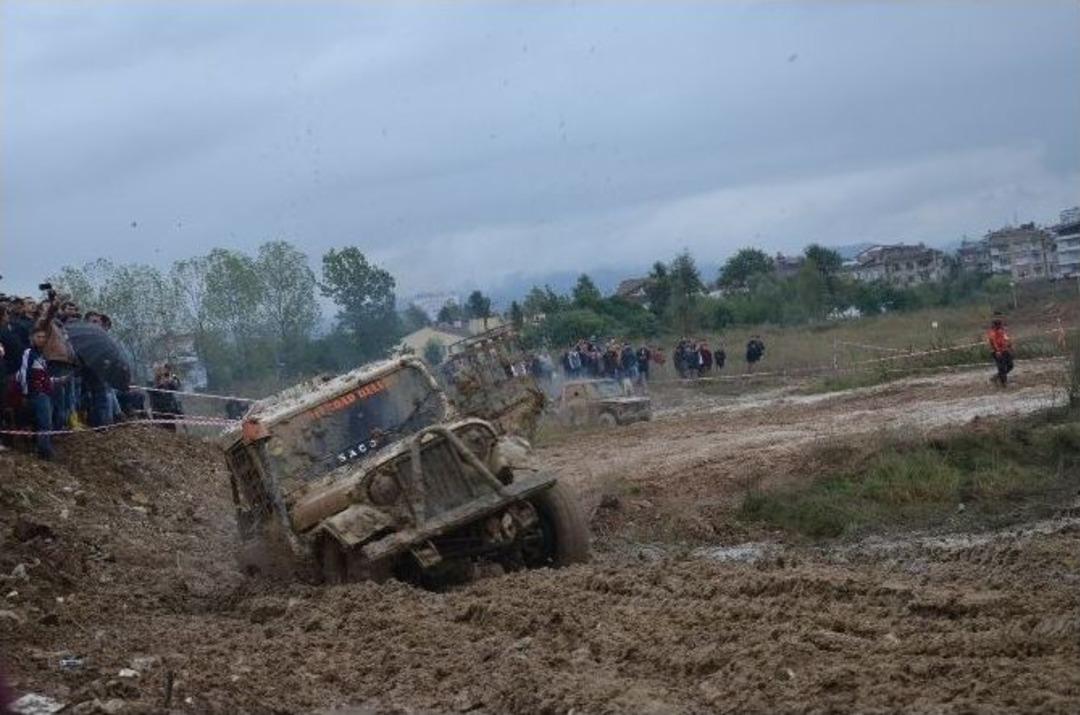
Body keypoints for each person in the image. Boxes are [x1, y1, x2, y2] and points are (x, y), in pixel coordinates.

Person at [16, 326, 55, 459]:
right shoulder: (29, 352)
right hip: (35, 393)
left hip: (45, 392)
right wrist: (25, 393)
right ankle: (44, 451)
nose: (41, 339)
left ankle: (42, 448)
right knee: (44, 422)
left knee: (45, 422)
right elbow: (24, 373)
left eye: (44, 337)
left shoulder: (43, 353)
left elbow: (45, 374)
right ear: (32, 338)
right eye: (39, 337)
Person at [987, 315, 1014, 387]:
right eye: (1000, 324)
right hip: (997, 352)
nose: (1002, 326)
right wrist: (997, 351)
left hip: (1004, 350)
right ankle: (1003, 383)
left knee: (1010, 365)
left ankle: (996, 377)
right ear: (996, 325)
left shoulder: (1002, 331)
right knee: (1001, 367)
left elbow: (1006, 339)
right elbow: (993, 343)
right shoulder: (992, 333)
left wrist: (1010, 346)